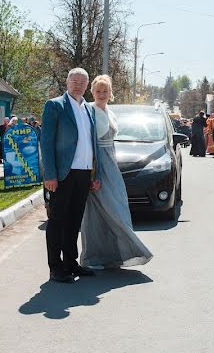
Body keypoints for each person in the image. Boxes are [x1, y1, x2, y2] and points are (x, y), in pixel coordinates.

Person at [78, 74, 152, 269]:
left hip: (112, 165)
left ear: (111, 93)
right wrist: (93, 174)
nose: (101, 94)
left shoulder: (110, 112)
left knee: (117, 208)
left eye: (105, 91)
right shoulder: (89, 112)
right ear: (92, 92)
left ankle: (112, 256)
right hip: (98, 165)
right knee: (98, 210)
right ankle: (92, 257)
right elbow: (88, 144)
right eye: (98, 91)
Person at [40, 68, 101, 283]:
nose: (78, 85)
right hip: (63, 174)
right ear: (67, 82)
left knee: (75, 220)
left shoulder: (88, 109)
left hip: (84, 173)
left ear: (87, 86)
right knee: (57, 221)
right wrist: (50, 175)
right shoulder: (55, 105)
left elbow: (93, 144)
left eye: (82, 82)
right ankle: (55, 268)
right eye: (74, 81)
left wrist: (95, 173)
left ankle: (71, 263)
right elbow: (46, 143)